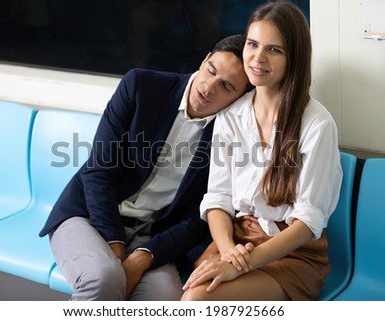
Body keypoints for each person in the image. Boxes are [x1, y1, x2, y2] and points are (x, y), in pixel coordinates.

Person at [39, 34, 252, 300]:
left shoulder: (232, 135)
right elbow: (99, 171)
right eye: (210, 71)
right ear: (205, 59)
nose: (209, 88)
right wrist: (117, 252)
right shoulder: (141, 86)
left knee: (163, 298)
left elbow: (197, 219)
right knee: (105, 278)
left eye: (227, 87)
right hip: (89, 214)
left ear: (240, 99)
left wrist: (141, 258)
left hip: (152, 237)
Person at [181, 1, 343, 301]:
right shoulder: (231, 115)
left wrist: (240, 265)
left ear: (293, 58)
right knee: (189, 294)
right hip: (238, 240)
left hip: (292, 253)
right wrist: (230, 254)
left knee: (198, 300)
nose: (258, 58)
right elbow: (218, 199)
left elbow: (308, 222)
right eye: (253, 44)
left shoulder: (317, 123)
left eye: (274, 50)